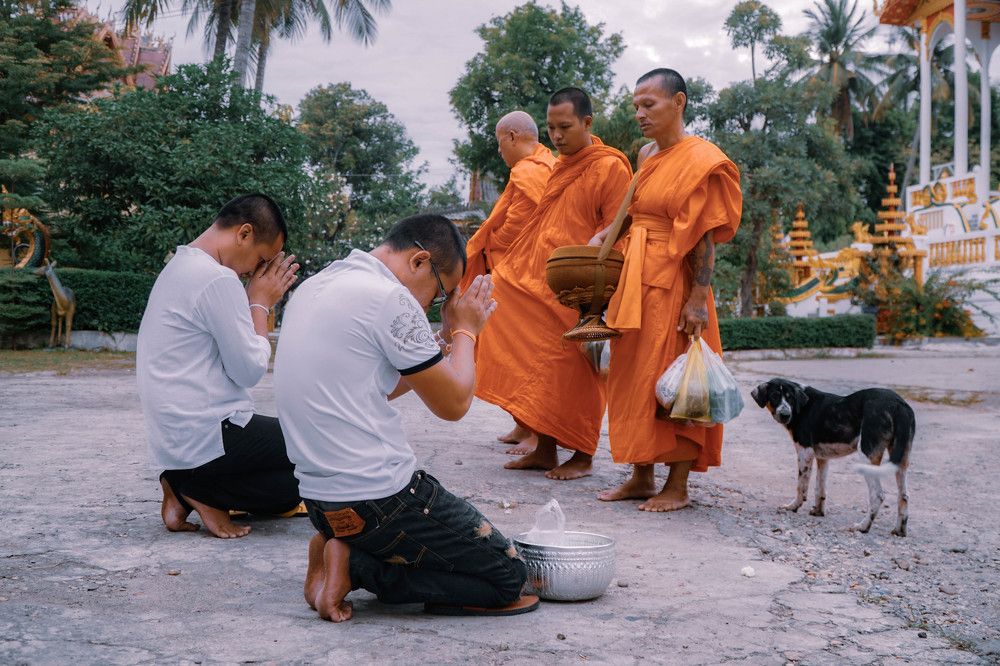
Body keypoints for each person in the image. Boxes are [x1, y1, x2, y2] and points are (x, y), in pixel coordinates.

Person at [274, 214, 536, 622]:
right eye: (438, 293)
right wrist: (466, 330)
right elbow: (454, 405)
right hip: (381, 498)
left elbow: (380, 384)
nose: (430, 306)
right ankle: (353, 566)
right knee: (507, 576)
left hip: (320, 500)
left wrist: (443, 344)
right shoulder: (388, 298)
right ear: (419, 261)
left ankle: (339, 541)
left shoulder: (318, 285)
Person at [592, 68, 742, 512]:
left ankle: (676, 486)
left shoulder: (702, 160)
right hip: (636, 280)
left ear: (678, 103)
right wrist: (608, 234)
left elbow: (704, 237)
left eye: (648, 104)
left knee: (678, 381)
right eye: (635, 105)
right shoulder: (645, 155)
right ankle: (641, 475)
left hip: (678, 283)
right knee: (632, 378)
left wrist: (698, 298)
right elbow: (637, 214)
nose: (639, 113)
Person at [474, 87, 633, 480]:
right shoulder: (560, 165)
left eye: (565, 127)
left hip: (578, 281)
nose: (557, 136)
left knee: (574, 368)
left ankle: (582, 453)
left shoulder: (610, 165)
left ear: (587, 123)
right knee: (507, 325)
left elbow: (619, 226)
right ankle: (545, 448)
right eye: (551, 128)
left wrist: (601, 281)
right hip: (539, 275)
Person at [137, 193, 302, 538]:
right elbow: (248, 370)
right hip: (211, 432)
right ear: (243, 234)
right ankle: (201, 492)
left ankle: (184, 482)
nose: (255, 272)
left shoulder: (180, 266)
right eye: (261, 259)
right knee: (311, 452)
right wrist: (259, 304)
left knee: (293, 473)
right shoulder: (217, 278)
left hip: (175, 438)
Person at [461, 110, 556, 454]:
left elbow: (525, 225)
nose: (499, 151)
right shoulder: (534, 168)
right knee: (504, 349)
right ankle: (520, 421)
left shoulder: (533, 170)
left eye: (501, 143)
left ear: (513, 136)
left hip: (528, 274)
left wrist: (492, 240)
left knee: (524, 352)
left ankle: (535, 429)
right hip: (512, 270)